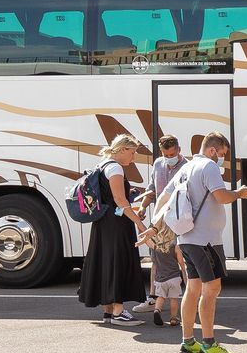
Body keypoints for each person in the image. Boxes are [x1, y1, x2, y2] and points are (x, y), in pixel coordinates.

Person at [141, 132, 247, 353]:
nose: (222, 159)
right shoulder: (208, 167)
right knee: (211, 289)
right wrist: (240, 193)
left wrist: (153, 226)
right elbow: (222, 197)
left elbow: (164, 198)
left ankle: (187, 342)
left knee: (193, 288)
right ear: (213, 150)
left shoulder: (186, 168)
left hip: (187, 239)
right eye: (222, 154)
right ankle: (208, 343)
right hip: (206, 241)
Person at [78, 134, 148, 326]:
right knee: (118, 261)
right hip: (117, 223)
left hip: (103, 221)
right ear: (123, 149)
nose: (133, 158)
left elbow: (111, 197)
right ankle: (118, 312)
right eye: (132, 153)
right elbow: (119, 200)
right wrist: (139, 223)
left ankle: (108, 311)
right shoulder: (115, 167)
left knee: (106, 262)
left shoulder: (103, 165)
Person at [134, 135, 187, 315]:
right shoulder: (158, 164)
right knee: (156, 259)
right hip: (158, 220)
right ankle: (153, 299)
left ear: (179, 149)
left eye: (172, 154)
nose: (169, 158)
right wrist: (142, 207)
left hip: (178, 220)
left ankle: (191, 300)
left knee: (183, 260)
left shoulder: (187, 166)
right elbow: (151, 189)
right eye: (166, 155)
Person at [148, 240, 182, 328]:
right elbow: (181, 262)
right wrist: (184, 277)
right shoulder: (175, 246)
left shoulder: (155, 247)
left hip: (160, 279)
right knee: (173, 299)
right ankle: (173, 318)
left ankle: (157, 310)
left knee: (160, 297)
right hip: (174, 278)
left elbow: (146, 240)